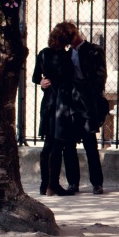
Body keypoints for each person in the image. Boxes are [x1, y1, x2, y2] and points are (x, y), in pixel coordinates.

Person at [49, 21, 108, 195]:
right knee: (69, 145)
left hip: (87, 103)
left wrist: (87, 90)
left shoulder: (94, 50)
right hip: (70, 104)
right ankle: (73, 182)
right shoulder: (65, 55)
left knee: (90, 144)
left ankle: (97, 183)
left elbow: (100, 77)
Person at [32, 25, 78, 197]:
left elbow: (35, 77)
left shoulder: (43, 53)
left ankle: (45, 185)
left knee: (48, 145)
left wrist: (42, 82)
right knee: (57, 145)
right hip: (61, 104)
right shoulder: (65, 57)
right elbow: (68, 79)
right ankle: (53, 185)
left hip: (48, 103)